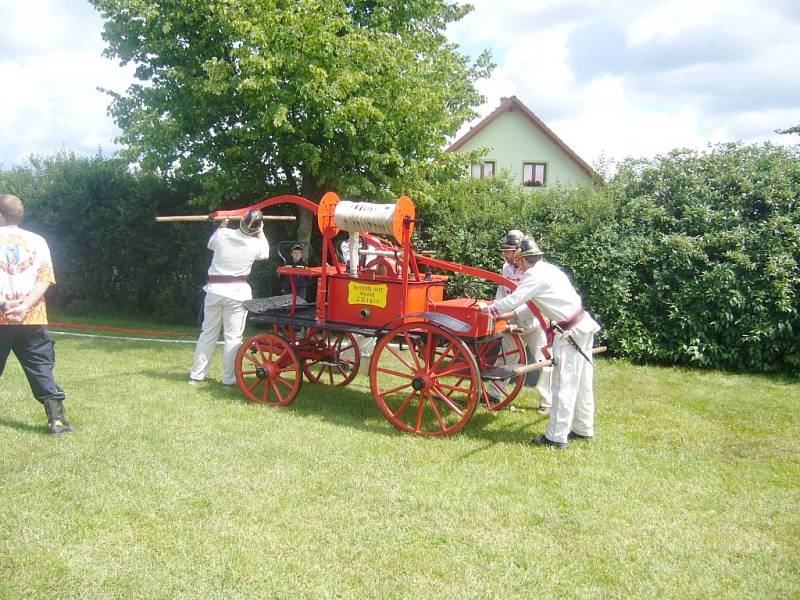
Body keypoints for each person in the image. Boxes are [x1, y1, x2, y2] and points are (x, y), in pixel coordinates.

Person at [480, 236, 600, 449]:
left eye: (519, 263)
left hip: (568, 333)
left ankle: (555, 437)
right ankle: (583, 429)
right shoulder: (550, 271)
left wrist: (489, 310)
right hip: (583, 325)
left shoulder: (533, 276)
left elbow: (514, 300)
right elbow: (532, 306)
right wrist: (511, 315)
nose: (520, 268)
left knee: (562, 384)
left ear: (524, 260)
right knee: (582, 382)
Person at [0, 193, 74, 435]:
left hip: (2, 316)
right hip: (32, 317)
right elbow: (45, 279)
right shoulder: (38, 241)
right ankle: (57, 421)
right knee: (40, 366)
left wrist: (5, 304)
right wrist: (24, 307)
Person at [188, 209, 270, 387]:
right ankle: (229, 380)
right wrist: (262, 231)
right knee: (233, 338)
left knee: (208, 334)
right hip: (237, 294)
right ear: (256, 229)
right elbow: (266, 253)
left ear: (241, 222)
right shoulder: (255, 244)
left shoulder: (222, 234)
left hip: (215, 291)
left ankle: (197, 375)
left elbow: (211, 245)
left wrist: (222, 225)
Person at [494, 230, 552, 414]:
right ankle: (494, 393)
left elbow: (531, 301)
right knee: (504, 358)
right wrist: (497, 309)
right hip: (511, 320)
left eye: (509, 251)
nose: (506, 255)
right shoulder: (506, 267)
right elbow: (502, 292)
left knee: (545, 361)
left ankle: (547, 403)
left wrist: (509, 315)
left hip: (534, 322)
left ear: (518, 252)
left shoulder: (532, 271)